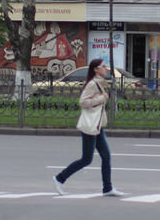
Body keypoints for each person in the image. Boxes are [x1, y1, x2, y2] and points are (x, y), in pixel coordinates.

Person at [53, 59, 124, 197]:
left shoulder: (98, 83)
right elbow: (83, 102)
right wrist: (101, 98)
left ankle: (107, 188)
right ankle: (60, 178)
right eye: (103, 67)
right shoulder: (92, 84)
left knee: (106, 156)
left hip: (96, 126)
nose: (106, 69)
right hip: (90, 126)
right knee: (86, 159)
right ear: (96, 69)